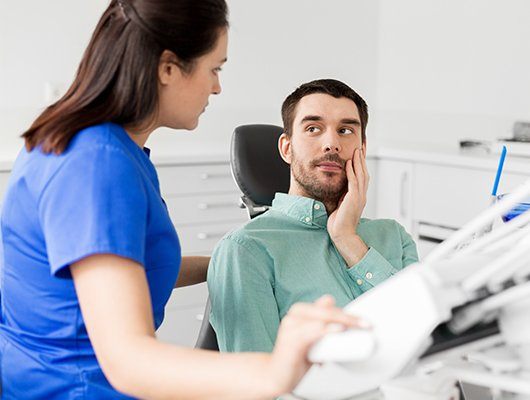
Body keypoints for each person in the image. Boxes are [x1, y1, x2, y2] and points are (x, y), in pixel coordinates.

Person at [0, 2, 363, 399]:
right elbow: (128, 361)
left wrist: (240, 260)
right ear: (168, 68)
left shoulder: (110, 149)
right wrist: (275, 371)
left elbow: (121, 272)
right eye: (215, 68)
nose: (217, 87)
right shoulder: (96, 165)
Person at [207, 79, 419, 353]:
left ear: (362, 150)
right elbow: (255, 382)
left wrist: (347, 239)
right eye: (313, 129)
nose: (331, 143)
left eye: (345, 130)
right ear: (286, 148)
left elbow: (423, 336)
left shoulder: (394, 236)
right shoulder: (246, 250)